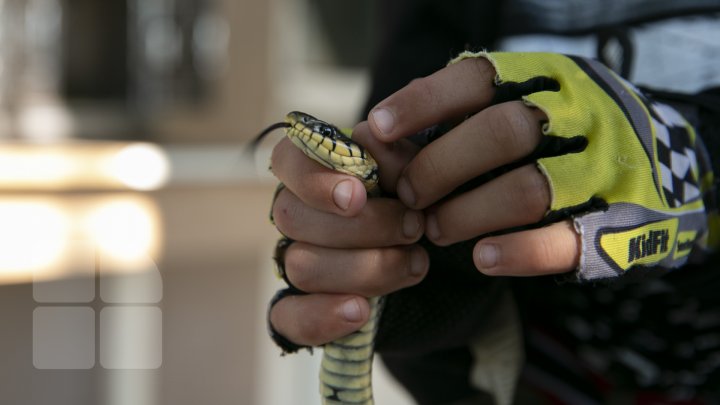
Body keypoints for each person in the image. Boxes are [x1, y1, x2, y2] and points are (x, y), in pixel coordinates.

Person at [266, 1, 720, 403]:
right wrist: (406, 277)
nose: (309, 133)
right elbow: (398, 148)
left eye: (322, 134)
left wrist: (700, 164)